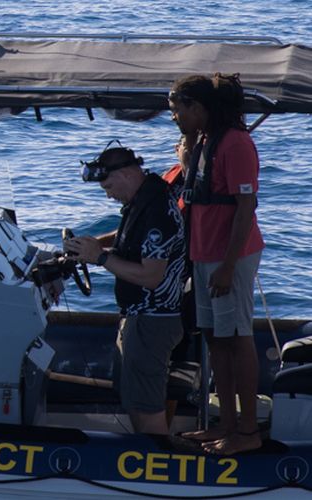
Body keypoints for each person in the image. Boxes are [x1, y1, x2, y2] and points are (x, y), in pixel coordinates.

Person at [169, 73, 265, 455]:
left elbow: (245, 208)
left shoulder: (237, 144)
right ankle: (224, 423)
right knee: (215, 339)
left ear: (199, 108)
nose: (175, 118)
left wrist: (227, 266)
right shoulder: (205, 141)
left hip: (231, 257)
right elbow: (193, 181)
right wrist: (190, 141)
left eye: (179, 111)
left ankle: (246, 431)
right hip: (203, 253)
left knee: (238, 337)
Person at [65, 143, 186, 434]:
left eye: (108, 186)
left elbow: (150, 276)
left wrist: (100, 257)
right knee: (135, 400)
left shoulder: (157, 212)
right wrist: (94, 244)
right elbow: (129, 237)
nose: (107, 194)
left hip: (153, 322)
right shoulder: (143, 202)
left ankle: (156, 466)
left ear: (128, 175)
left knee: (147, 409)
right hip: (139, 319)